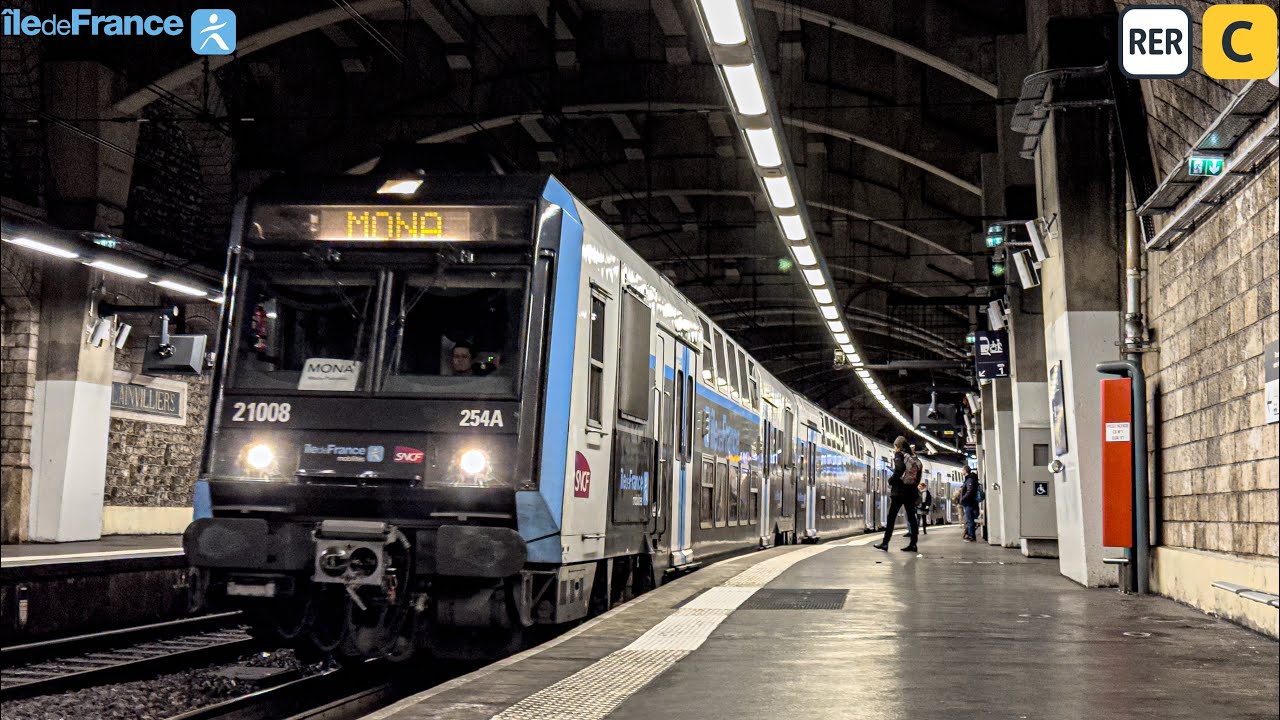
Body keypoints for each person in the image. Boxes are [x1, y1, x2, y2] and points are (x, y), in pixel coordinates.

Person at [873, 437, 920, 552]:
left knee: (891, 517)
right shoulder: (914, 458)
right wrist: (913, 487)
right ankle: (913, 544)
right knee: (912, 518)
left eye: (895, 446)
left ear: (898, 446)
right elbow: (917, 477)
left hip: (899, 492)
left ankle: (885, 543)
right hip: (910, 491)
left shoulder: (900, 455)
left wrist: (891, 480)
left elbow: (899, 469)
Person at [960, 469, 981, 541]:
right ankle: (970, 534)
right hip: (972, 502)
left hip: (969, 502)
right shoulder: (971, 479)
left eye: (962, 470)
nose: (961, 472)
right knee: (971, 519)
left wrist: (963, 498)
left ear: (965, 471)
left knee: (969, 520)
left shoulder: (969, 479)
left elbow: (970, 490)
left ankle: (971, 536)